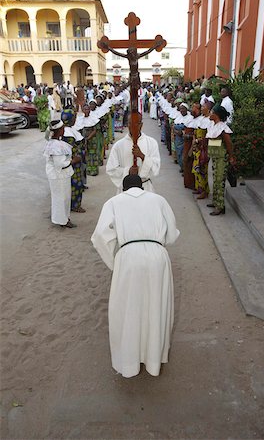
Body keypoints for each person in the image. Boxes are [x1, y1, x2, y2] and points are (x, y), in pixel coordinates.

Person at [91, 174, 180, 378]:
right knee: (155, 306)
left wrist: (115, 263)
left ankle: (130, 363)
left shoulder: (113, 202)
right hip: (158, 257)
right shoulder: (159, 200)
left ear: (123, 188)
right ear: (143, 187)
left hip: (128, 256)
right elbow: (172, 235)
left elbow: (98, 237)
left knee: (128, 309)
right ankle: (153, 361)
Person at [106, 112, 161, 193]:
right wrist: (128, 171)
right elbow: (111, 169)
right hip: (126, 189)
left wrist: (142, 156)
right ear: (127, 124)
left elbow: (156, 167)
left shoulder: (151, 143)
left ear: (141, 125)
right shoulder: (118, 145)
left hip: (145, 187)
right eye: (130, 123)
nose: (133, 126)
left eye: (136, 123)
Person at [43, 119, 77, 228]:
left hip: (57, 174)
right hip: (58, 175)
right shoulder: (56, 146)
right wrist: (74, 161)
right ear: (60, 131)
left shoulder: (53, 142)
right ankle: (63, 220)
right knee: (63, 197)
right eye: (63, 129)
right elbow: (60, 164)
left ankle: (60, 217)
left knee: (59, 196)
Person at [206, 104, 235, 215]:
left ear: (216, 115)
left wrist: (231, 157)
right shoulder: (214, 125)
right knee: (215, 180)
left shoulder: (223, 127)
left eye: (212, 112)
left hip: (222, 158)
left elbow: (228, 143)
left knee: (219, 181)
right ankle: (215, 201)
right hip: (215, 157)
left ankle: (220, 206)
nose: (210, 113)